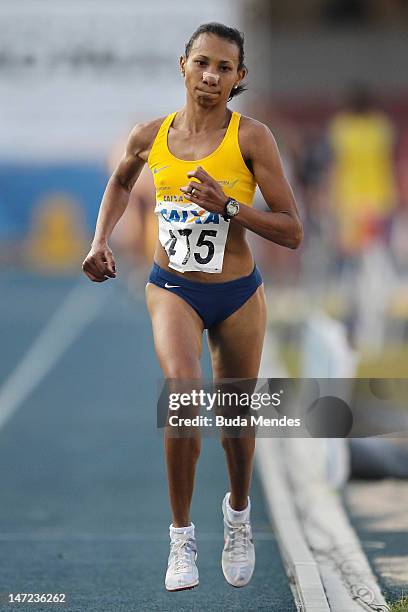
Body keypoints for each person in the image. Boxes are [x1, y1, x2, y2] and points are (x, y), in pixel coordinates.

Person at [82, 22, 302, 592]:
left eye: (224, 68)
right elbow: (120, 181)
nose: (211, 76)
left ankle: (238, 515)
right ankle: (182, 537)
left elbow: (292, 231)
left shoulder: (252, 139)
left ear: (240, 78)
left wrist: (229, 206)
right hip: (172, 288)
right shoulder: (149, 135)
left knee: (234, 418)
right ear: (182, 64)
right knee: (182, 395)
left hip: (237, 293)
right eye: (202, 62)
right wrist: (99, 240)